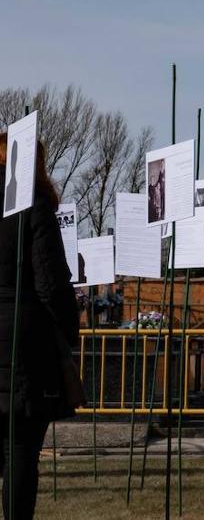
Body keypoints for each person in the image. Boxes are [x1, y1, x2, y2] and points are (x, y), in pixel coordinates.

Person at [0, 138, 80, 519]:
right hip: (23, 345)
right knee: (20, 451)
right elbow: (51, 284)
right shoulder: (34, 206)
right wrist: (68, 332)